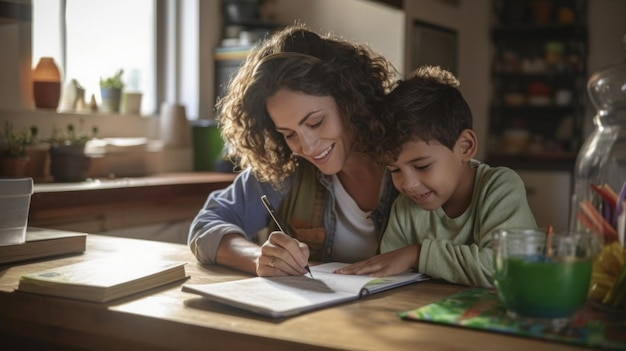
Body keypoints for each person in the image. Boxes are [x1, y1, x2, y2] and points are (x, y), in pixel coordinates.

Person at [188, 24, 399, 277]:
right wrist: (258, 258)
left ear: (350, 101)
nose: (306, 147)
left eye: (315, 122)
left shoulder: (412, 159)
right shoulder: (287, 170)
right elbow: (204, 226)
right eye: (289, 134)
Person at [334, 66, 537, 287]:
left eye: (422, 166)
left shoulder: (500, 187)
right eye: (394, 170)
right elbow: (389, 272)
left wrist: (418, 255)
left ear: (465, 147)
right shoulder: (406, 206)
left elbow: (509, 268)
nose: (408, 184)